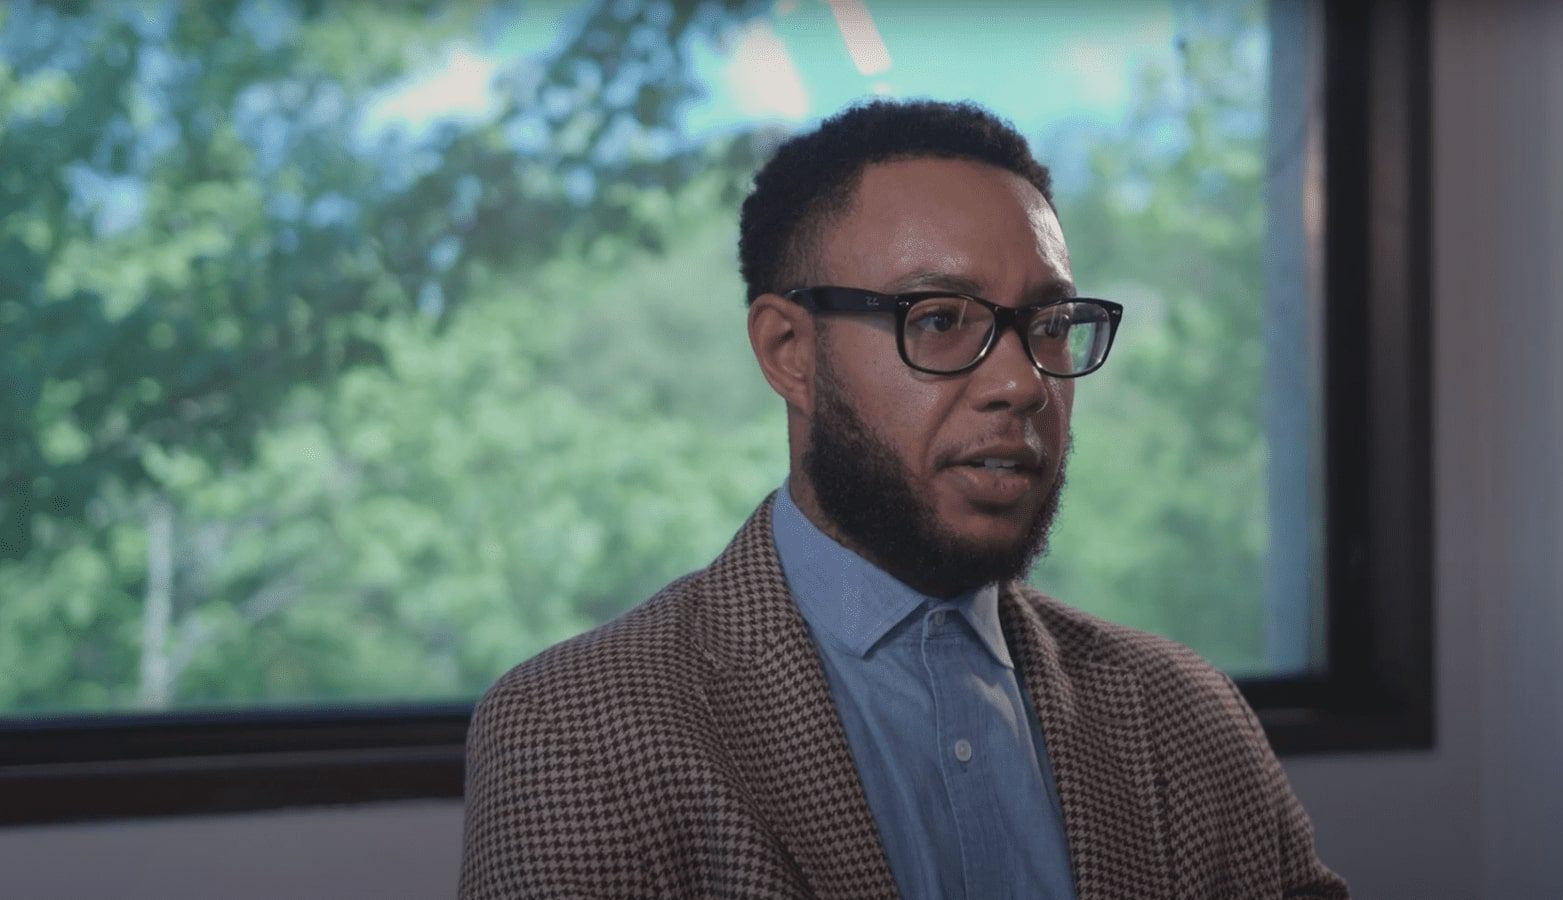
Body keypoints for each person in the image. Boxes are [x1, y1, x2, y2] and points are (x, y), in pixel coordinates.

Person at [459, 99, 1348, 899]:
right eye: (938, 318)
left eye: (1048, 325)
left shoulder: (1185, 716)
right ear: (787, 350)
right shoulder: (578, 735)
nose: (1021, 382)